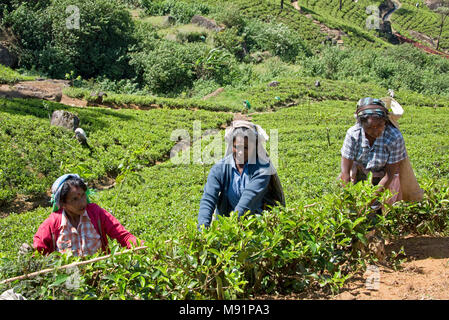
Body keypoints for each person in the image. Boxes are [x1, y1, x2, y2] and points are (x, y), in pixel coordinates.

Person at [197, 120, 285, 230]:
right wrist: (202, 229)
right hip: (229, 221)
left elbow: (247, 202)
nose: (240, 152)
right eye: (236, 147)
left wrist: (229, 229)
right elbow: (208, 199)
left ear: (255, 147)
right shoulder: (220, 169)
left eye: (246, 148)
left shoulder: (262, 169)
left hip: (257, 224)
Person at [33, 174, 140, 256]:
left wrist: (141, 246)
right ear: (62, 203)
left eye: (83, 196)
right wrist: (29, 253)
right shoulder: (52, 224)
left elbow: (123, 236)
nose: (82, 203)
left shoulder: (96, 213)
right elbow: (39, 251)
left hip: (100, 279)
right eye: (74, 199)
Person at [339, 97, 408, 220]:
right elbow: (345, 172)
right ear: (361, 123)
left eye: (380, 125)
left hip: (382, 180)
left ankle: (376, 230)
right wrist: (350, 198)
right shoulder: (353, 134)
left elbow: (389, 175)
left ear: (385, 122)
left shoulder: (394, 137)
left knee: (374, 215)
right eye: (370, 127)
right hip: (357, 176)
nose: (376, 130)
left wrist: (370, 200)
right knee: (350, 215)